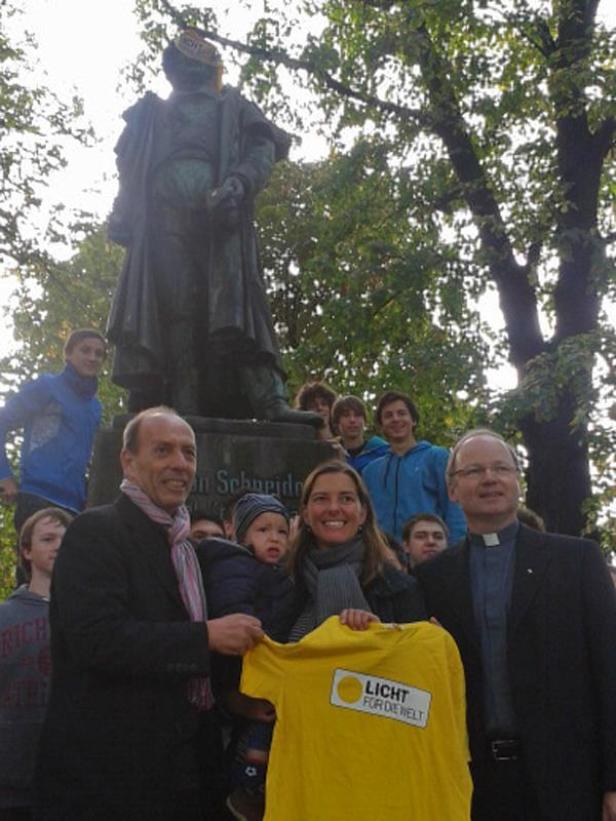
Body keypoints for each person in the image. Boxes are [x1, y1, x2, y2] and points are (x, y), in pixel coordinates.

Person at [35, 407, 263, 820]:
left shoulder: (186, 549)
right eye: (162, 450)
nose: (180, 463)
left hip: (186, 770)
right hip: (111, 776)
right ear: (128, 461)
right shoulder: (95, 532)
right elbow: (97, 640)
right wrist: (206, 636)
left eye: (188, 453)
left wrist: (235, 697)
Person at [107, 28, 319, 427]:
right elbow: (129, 166)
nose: (186, 65)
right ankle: (183, 410)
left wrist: (239, 182)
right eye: (180, 59)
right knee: (177, 308)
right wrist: (123, 209)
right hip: (162, 221)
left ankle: (268, 399)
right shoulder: (149, 113)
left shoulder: (234, 106)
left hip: (223, 220)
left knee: (241, 307)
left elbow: (263, 149)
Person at [415, 428, 616, 821]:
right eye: (474, 471)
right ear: (452, 490)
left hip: (570, 781)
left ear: (517, 481)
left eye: (500, 468)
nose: (489, 478)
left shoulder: (577, 561)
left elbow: (610, 670)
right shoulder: (430, 578)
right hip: (473, 784)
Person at [197, 493, 292, 820]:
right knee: (255, 737)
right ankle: (246, 791)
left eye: (282, 531)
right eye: (263, 530)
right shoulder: (235, 564)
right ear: (240, 535)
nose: (274, 538)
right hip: (244, 670)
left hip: (267, 674)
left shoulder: (277, 573)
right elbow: (234, 608)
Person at [281, 460, 426, 642]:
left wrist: (381, 633)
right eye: (321, 499)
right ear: (306, 514)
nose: (334, 508)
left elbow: (415, 652)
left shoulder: (399, 588)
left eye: (346, 499)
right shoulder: (280, 582)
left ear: (363, 513)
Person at [0, 507, 72, 820]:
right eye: (48, 539)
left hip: (71, 778)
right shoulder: (4, 617)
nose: (58, 545)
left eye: (65, 540)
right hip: (10, 781)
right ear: (26, 551)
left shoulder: (89, 617)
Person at [0, 329, 106, 532]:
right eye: (85, 350)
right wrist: (3, 474)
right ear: (68, 354)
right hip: (38, 497)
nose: (92, 357)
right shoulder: (47, 386)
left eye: (99, 354)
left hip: (75, 507)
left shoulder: (95, 408)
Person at [362, 390, 466, 544]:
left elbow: (455, 508)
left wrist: (455, 549)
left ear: (414, 420)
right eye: (388, 415)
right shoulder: (370, 472)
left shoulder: (436, 457)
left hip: (429, 551)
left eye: (401, 413)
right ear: (381, 425)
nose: (395, 419)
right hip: (383, 554)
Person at [330, 394, 389, 474]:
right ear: (337, 423)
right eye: (346, 415)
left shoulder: (382, 452)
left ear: (365, 421)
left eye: (357, 415)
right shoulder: (331, 454)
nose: (352, 420)